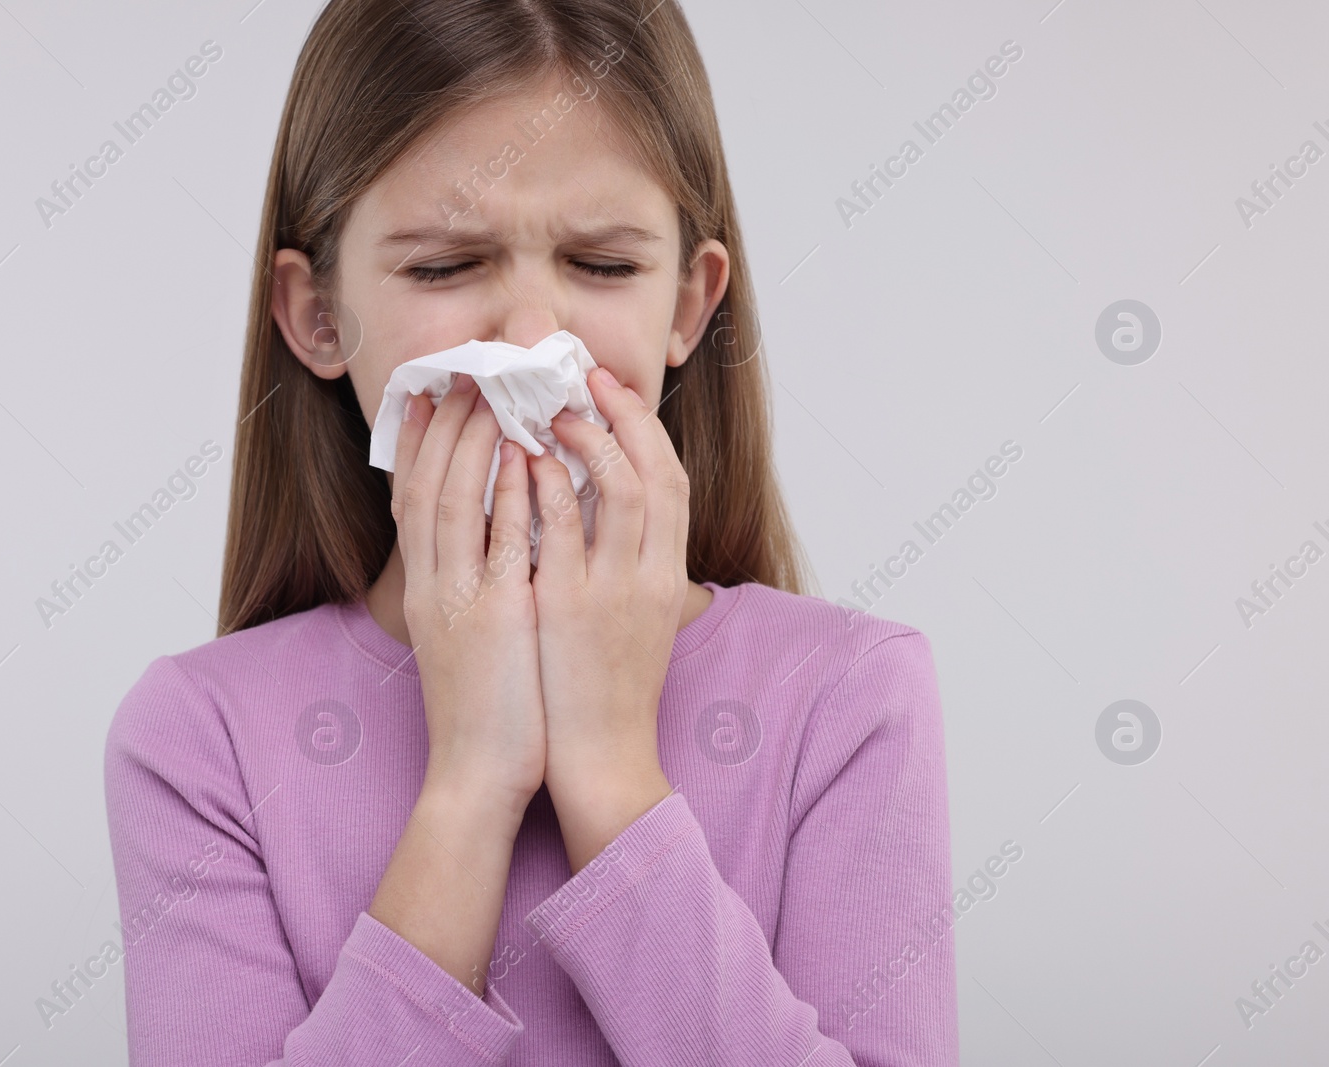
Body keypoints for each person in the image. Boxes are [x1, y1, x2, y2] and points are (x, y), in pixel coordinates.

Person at [104, 1, 957, 1062]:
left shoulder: (848, 698)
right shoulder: (201, 738)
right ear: (319, 315)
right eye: (442, 267)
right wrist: (469, 781)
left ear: (688, 308)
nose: (530, 338)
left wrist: (608, 773)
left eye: (602, 266)